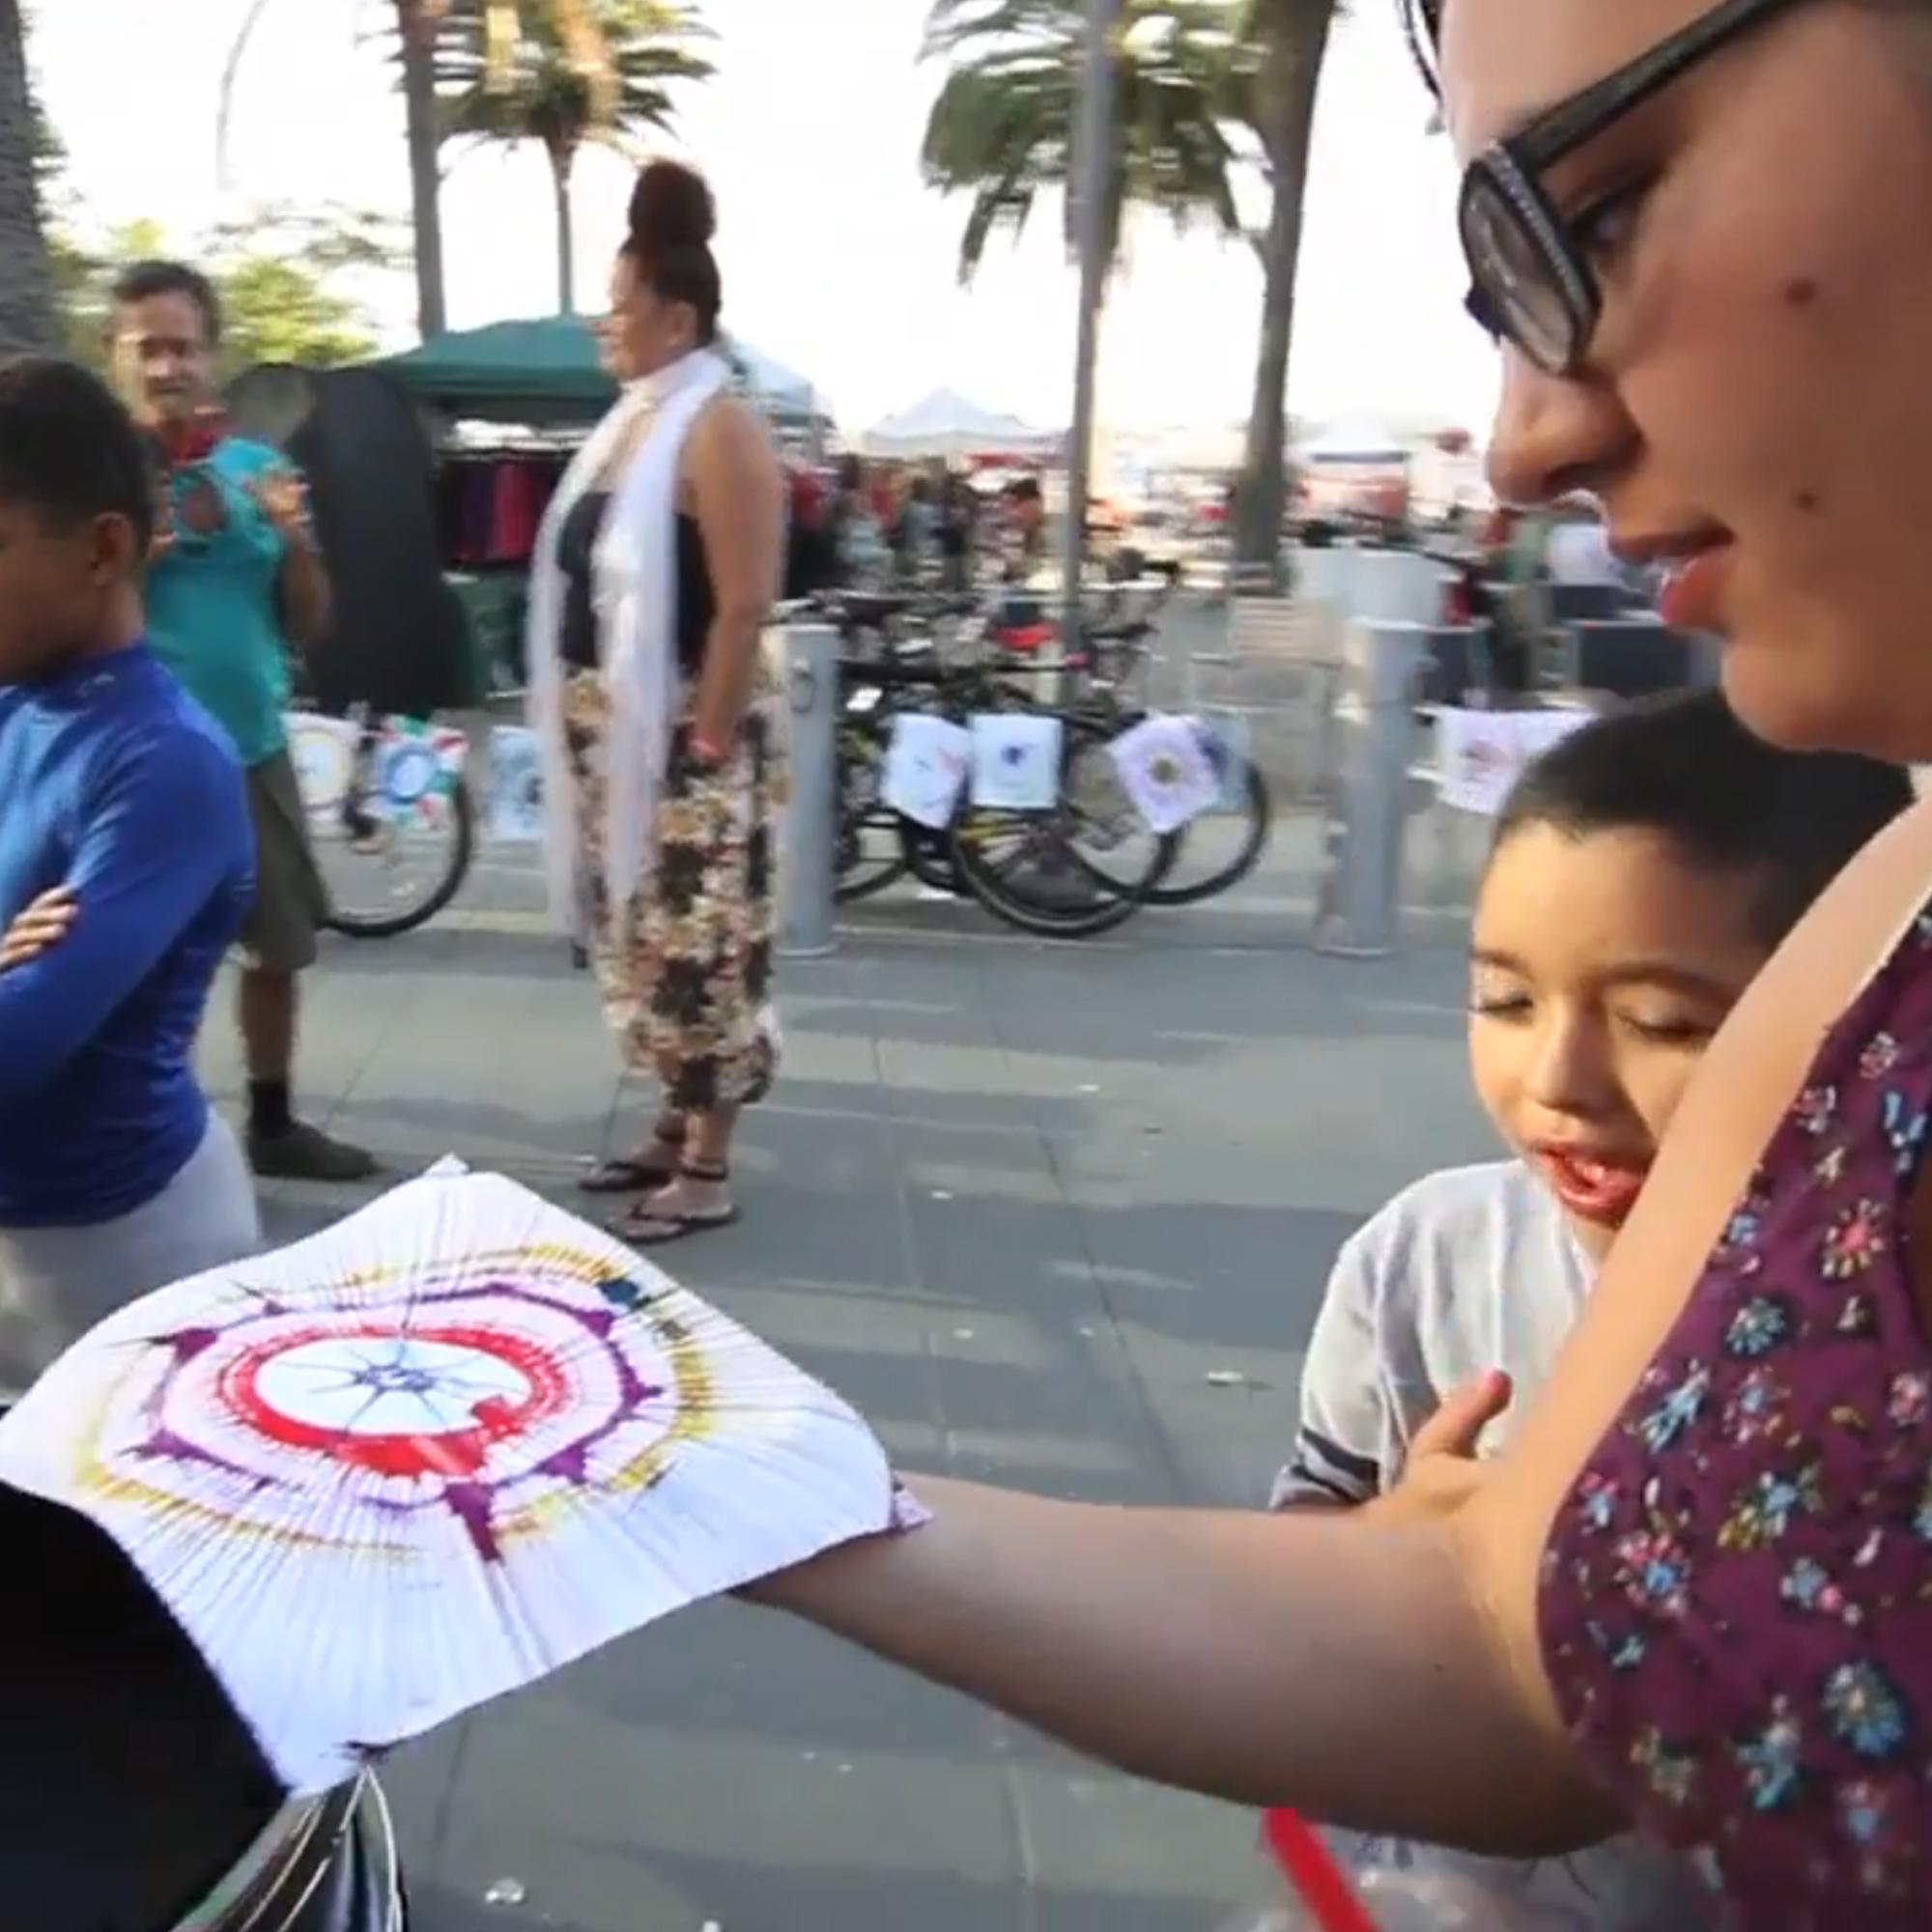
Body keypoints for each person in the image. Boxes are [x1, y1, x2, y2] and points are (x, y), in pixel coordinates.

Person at [725, 5, 1932, 1921]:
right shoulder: (1883, 939)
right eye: (1491, 287)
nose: (1531, 434)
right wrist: (719, 1487)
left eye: (1598, 211)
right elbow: (1499, 1635)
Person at [1276, 693, 1909, 1925]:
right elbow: (1298, 1556)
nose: (1554, 1083)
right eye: (1504, 1000)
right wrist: (1393, 1551)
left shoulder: (1880, 1317)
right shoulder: (1421, 1258)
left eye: (1659, 1022)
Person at [528, 159, 786, 1245]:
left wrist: (707, 738)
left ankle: (711, 1161)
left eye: (618, 306)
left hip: (690, 732)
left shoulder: (716, 426)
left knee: (703, 940)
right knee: (642, 935)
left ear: (675, 319)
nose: (604, 323)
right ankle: (675, 1123)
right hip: (618, 734)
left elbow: (741, 606)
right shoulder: (636, 420)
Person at [0, 357, 259, 1399]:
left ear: (106, 546)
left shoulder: (165, 762)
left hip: (134, 1264)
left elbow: (20, 1045)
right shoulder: (15, 701)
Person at [107, 259, 374, 1184]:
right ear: (117, 359)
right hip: (137, 759)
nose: (168, 367)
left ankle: (272, 1121)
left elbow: (307, 619)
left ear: (211, 356)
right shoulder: (98, 475)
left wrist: (294, 541)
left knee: (279, 945)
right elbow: (69, 612)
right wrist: (135, 556)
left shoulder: (260, 469)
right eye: (148, 349)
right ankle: (153, 1131)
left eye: (183, 347)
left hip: (252, 745)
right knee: (141, 955)